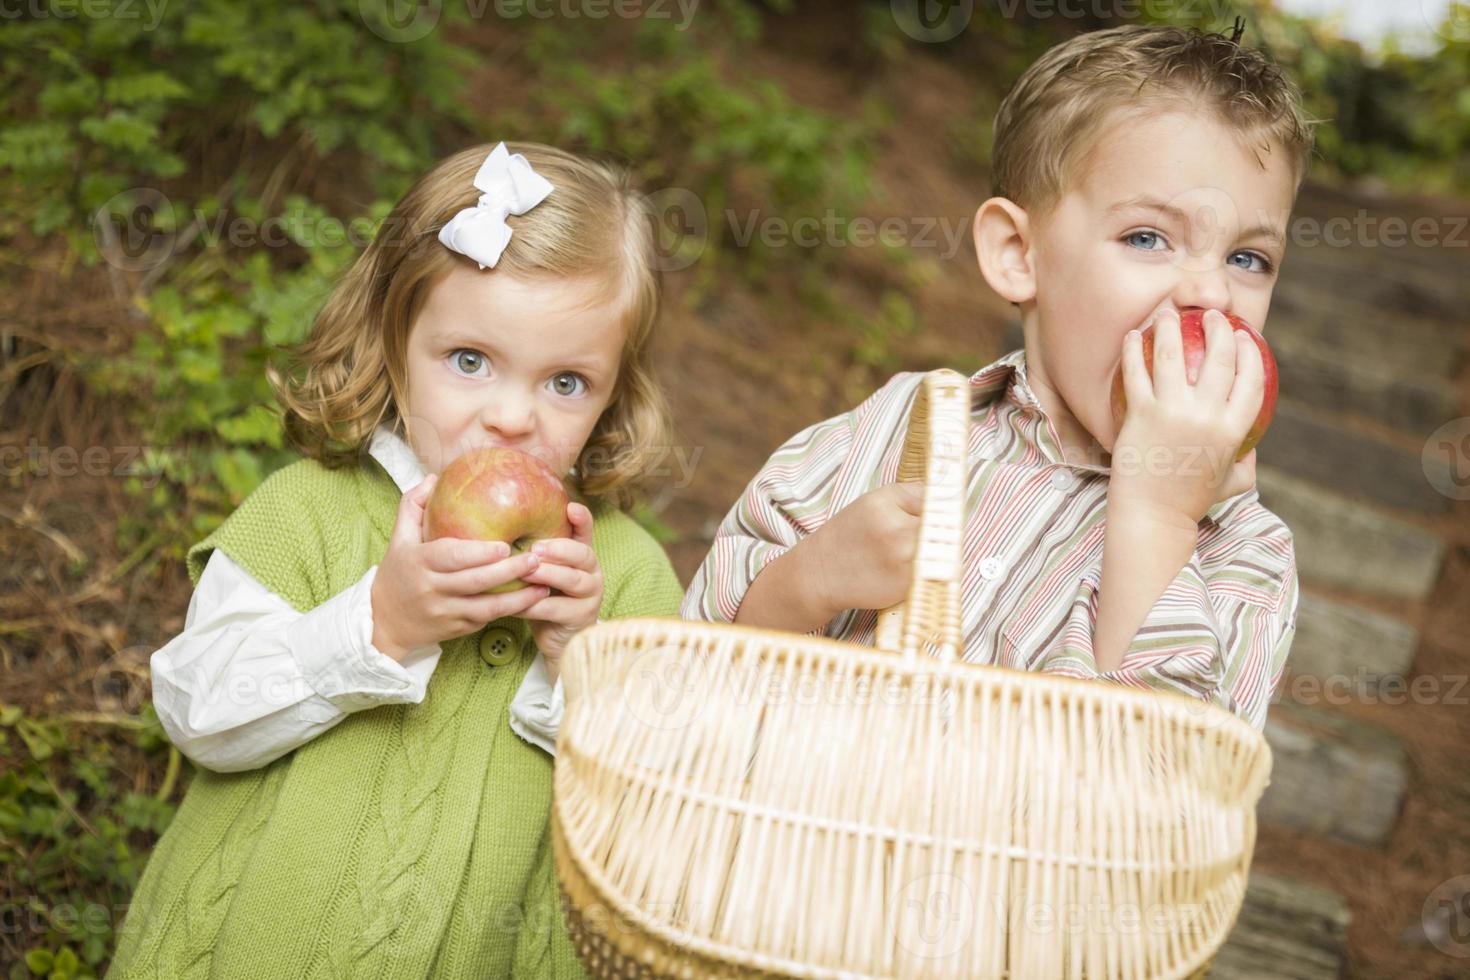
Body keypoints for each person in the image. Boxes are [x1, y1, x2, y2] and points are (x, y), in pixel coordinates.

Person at [108, 141, 683, 978]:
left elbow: (659, 810)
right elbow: (199, 712)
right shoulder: (307, 512)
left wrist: (581, 664)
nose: (514, 417)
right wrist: (377, 627)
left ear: (614, 392)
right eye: (470, 361)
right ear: (392, 342)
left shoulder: (621, 575)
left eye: (567, 382)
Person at [682, 23, 1313, 733]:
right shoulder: (899, 426)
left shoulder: (1245, 554)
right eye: (1147, 238)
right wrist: (806, 583)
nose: (1212, 295)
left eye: (1249, 259)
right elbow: (687, 675)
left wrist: (1160, 514)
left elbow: (1164, 798)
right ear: (1018, 253)